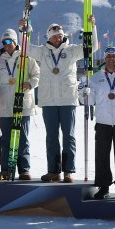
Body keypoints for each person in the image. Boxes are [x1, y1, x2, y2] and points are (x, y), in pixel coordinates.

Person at [20, 19, 85, 183]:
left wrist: (93, 27)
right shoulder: (42, 51)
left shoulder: (71, 50)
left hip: (68, 100)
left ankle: (68, 171)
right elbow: (26, 49)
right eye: (55, 36)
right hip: (48, 101)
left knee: (69, 136)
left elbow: (91, 48)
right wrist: (24, 31)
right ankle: (54, 171)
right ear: (49, 37)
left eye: (60, 36)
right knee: (51, 137)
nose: (58, 38)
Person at [0, 28, 40, 180]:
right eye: (4, 42)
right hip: (5, 105)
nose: (7, 45)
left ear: (15, 42)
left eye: (9, 41)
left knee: (22, 139)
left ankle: (24, 169)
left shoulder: (26, 57)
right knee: (6, 139)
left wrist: (31, 83)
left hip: (23, 104)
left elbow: (37, 74)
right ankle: (6, 169)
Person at [89, 46, 115, 199]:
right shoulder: (95, 78)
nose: (111, 59)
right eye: (108, 56)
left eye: (113, 56)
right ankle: (103, 186)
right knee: (102, 155)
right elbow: (89, 101)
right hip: (103, 122)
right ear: (104, 59)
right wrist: (83, 92)